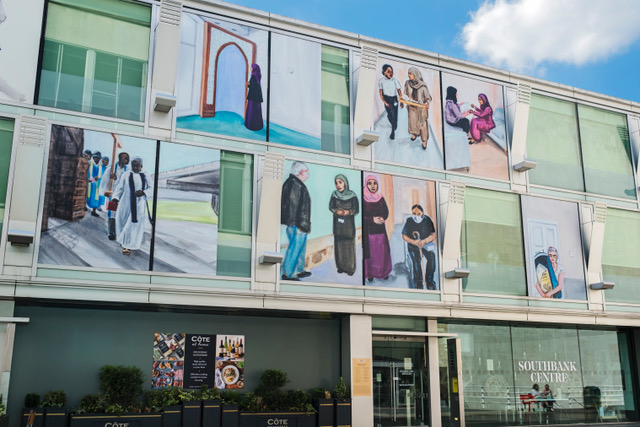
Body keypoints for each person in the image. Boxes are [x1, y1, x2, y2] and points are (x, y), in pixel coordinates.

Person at [111, 157, 151, 255]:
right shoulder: (126, 174)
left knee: (132, 226)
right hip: (125, 203)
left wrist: (143, 192)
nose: (135, 167)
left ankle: (127, 246)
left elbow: (151, 189)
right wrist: (116, 197)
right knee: (123, 223)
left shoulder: (146, 175)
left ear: (141, 166)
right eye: (133, 165)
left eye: (138, 165)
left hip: (138, 205)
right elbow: (120, 187)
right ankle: (124, 242)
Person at [281, 161, 312, 280]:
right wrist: (300, 224)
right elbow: (293, 207)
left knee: (300, 247)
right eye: (307, 173)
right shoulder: (296, 185)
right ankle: (288, 273)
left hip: (296, 224)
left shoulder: (292, 183)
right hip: (298, 224)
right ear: (300, 173)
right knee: (295, 248)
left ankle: (299, 270)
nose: (308, 175)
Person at [362, 175, 392, 282]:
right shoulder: (363, 199)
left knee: (381, 253)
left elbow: (386, 212)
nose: (373, 186)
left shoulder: (380, 197)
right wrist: (372, 219)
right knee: (371, 254)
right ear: (366, 185)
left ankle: (383, 273)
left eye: (374, 183)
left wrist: (382, 217)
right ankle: (370, 274)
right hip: (369, 232)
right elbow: (363, 216)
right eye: (369, 183)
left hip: (380, 231)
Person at [329, 174, 359, 276]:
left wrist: (349, 212)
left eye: (340, 182)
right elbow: (331, 207)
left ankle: (350, 268)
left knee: (349, 247)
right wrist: (336, 211)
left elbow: (356, 209)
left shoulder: (352, 195)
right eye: (336, 183)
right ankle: (340, 267)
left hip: (348, 226)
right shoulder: (334, 195)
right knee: (339, 246)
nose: (338, 185)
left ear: (345, 183)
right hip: (338, 226)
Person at [401, 204, 437, 289]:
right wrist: (413, 241)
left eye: (418, 214)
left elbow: (433, 235)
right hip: (413, 246)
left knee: (432, 257)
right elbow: (404, 236)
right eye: (414, 213)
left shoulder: (427, 220)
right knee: (416, 260)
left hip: (425, 244)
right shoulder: (409, 221)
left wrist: (425, 241)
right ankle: (418, 281)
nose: (416, 216)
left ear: (422, 214)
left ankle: (429, 280)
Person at [403, 66, 432, 149]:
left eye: (410, 74)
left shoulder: (423, 86)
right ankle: (414, 134)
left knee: (422, 124)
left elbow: (428, 98)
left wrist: (427, 103)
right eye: (408, 74)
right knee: (412, 122)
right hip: (412, 107)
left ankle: (424, 140)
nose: (409, 75)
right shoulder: (408, 83)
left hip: (421, 108)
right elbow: (405, 93)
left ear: (415, 74)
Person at [105, 152, 129, 240]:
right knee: (112, 213)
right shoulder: (111, 169)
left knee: (121, 213)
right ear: (120, 159)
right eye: (125, 158)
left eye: (127, 158)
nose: (127, 160)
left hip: (123, 195)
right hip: (113, 194)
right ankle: (111, 232)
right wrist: (111, 179)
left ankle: (120, 232)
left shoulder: (128, 170)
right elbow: (104, 181)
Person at [378, 64, 403, 140]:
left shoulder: (395, 80)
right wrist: (385, 102)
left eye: (392, 71)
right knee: (391, 115)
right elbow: (381, 94)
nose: (391, 73)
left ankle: (393, 129)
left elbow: (399, 91)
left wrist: (401, 99)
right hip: (387, 99)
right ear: (384, 72)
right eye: (388, 72)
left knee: (395, 116)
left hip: (394, 99)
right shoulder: (381, 81)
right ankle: (393, 131)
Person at [244, 63, 264, 131]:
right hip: (257, 96)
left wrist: (248, 84)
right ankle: (258, 125)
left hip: (253, 96)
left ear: (254, 68)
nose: (250, 69)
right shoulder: (258, 75)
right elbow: (256, 85)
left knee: (252, 110)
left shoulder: (253, 75)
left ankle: (251, 125)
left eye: (251, 67)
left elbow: (252, 86)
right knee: (257, 111)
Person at [86, 151, 104, 217]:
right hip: (89, 182)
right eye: (95, 157)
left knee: (96, 197)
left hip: (96, 184)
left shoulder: (100, 166)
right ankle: (84, 207)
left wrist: (98, 177)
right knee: (87, 195)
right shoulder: (89, 163)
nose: (97, 159)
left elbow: (100, 174)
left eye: (98, 158)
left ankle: (94, 211)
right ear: (93, 157)